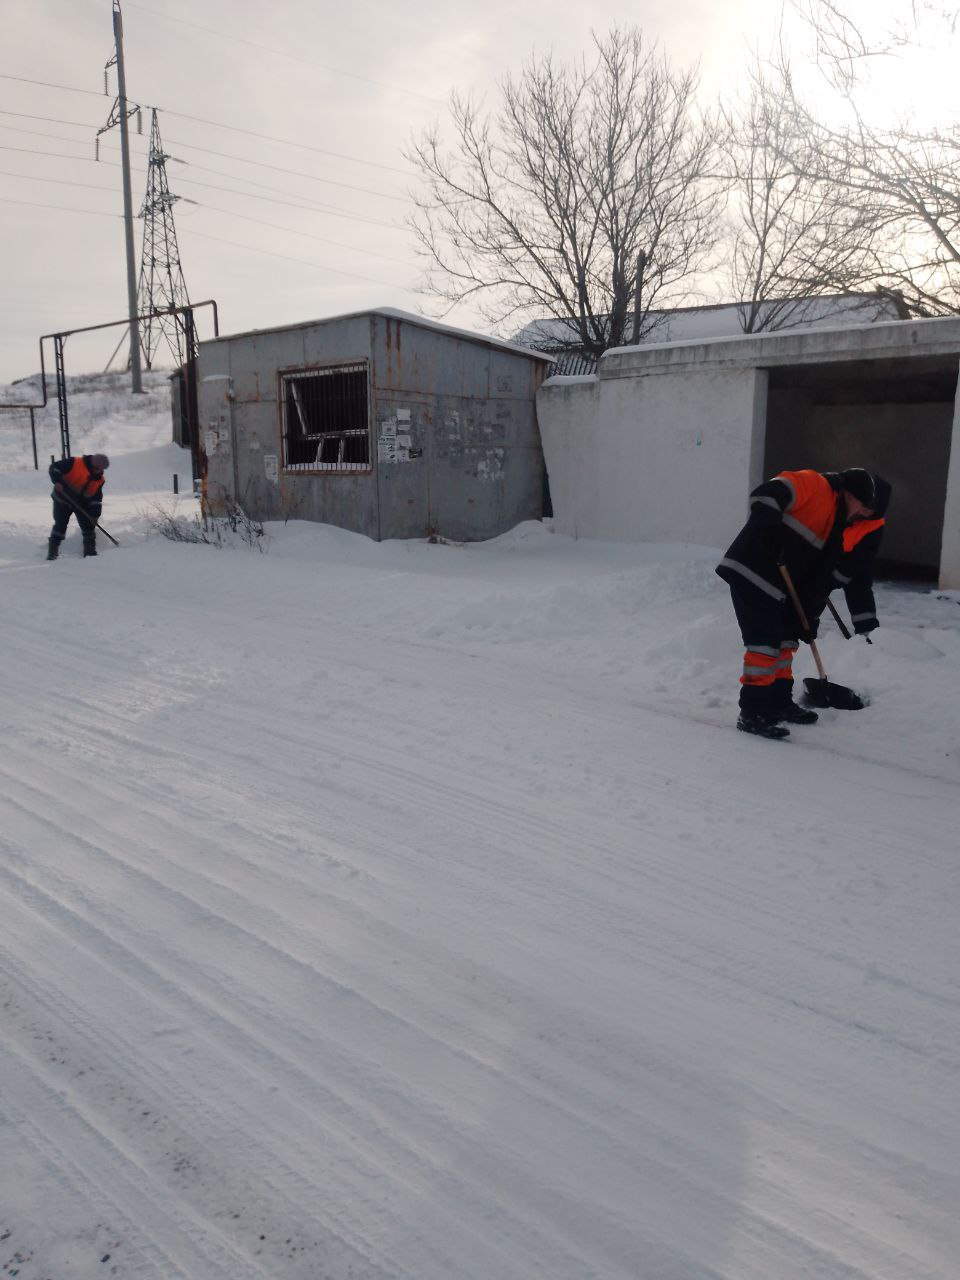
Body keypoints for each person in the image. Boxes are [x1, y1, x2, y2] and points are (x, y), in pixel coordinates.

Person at [717, 467, 892, 739]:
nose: (862, 516)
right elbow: (767, 495)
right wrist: (769, 527)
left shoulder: (837, 521)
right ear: (850, 494)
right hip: (754, 571)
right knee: (764, 643)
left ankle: (778, 701)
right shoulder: (815, 485)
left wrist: (807, 617)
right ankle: (752, 711)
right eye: (864, 508)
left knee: (787, 639)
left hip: (782, 585)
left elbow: (819, 578)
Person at [47, 453, 110, 560]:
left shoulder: (99, 480)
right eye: (97, 468)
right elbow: (54, 468)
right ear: (92, 465)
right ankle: (53, 551)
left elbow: (96, 499)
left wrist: (95, 516)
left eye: (101, 469)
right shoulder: (75, 463)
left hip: (81, 503)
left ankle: (90, 552)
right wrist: (57, 481)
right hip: (62, 499)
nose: (99, 471)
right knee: (60, 525)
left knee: (89, 526)